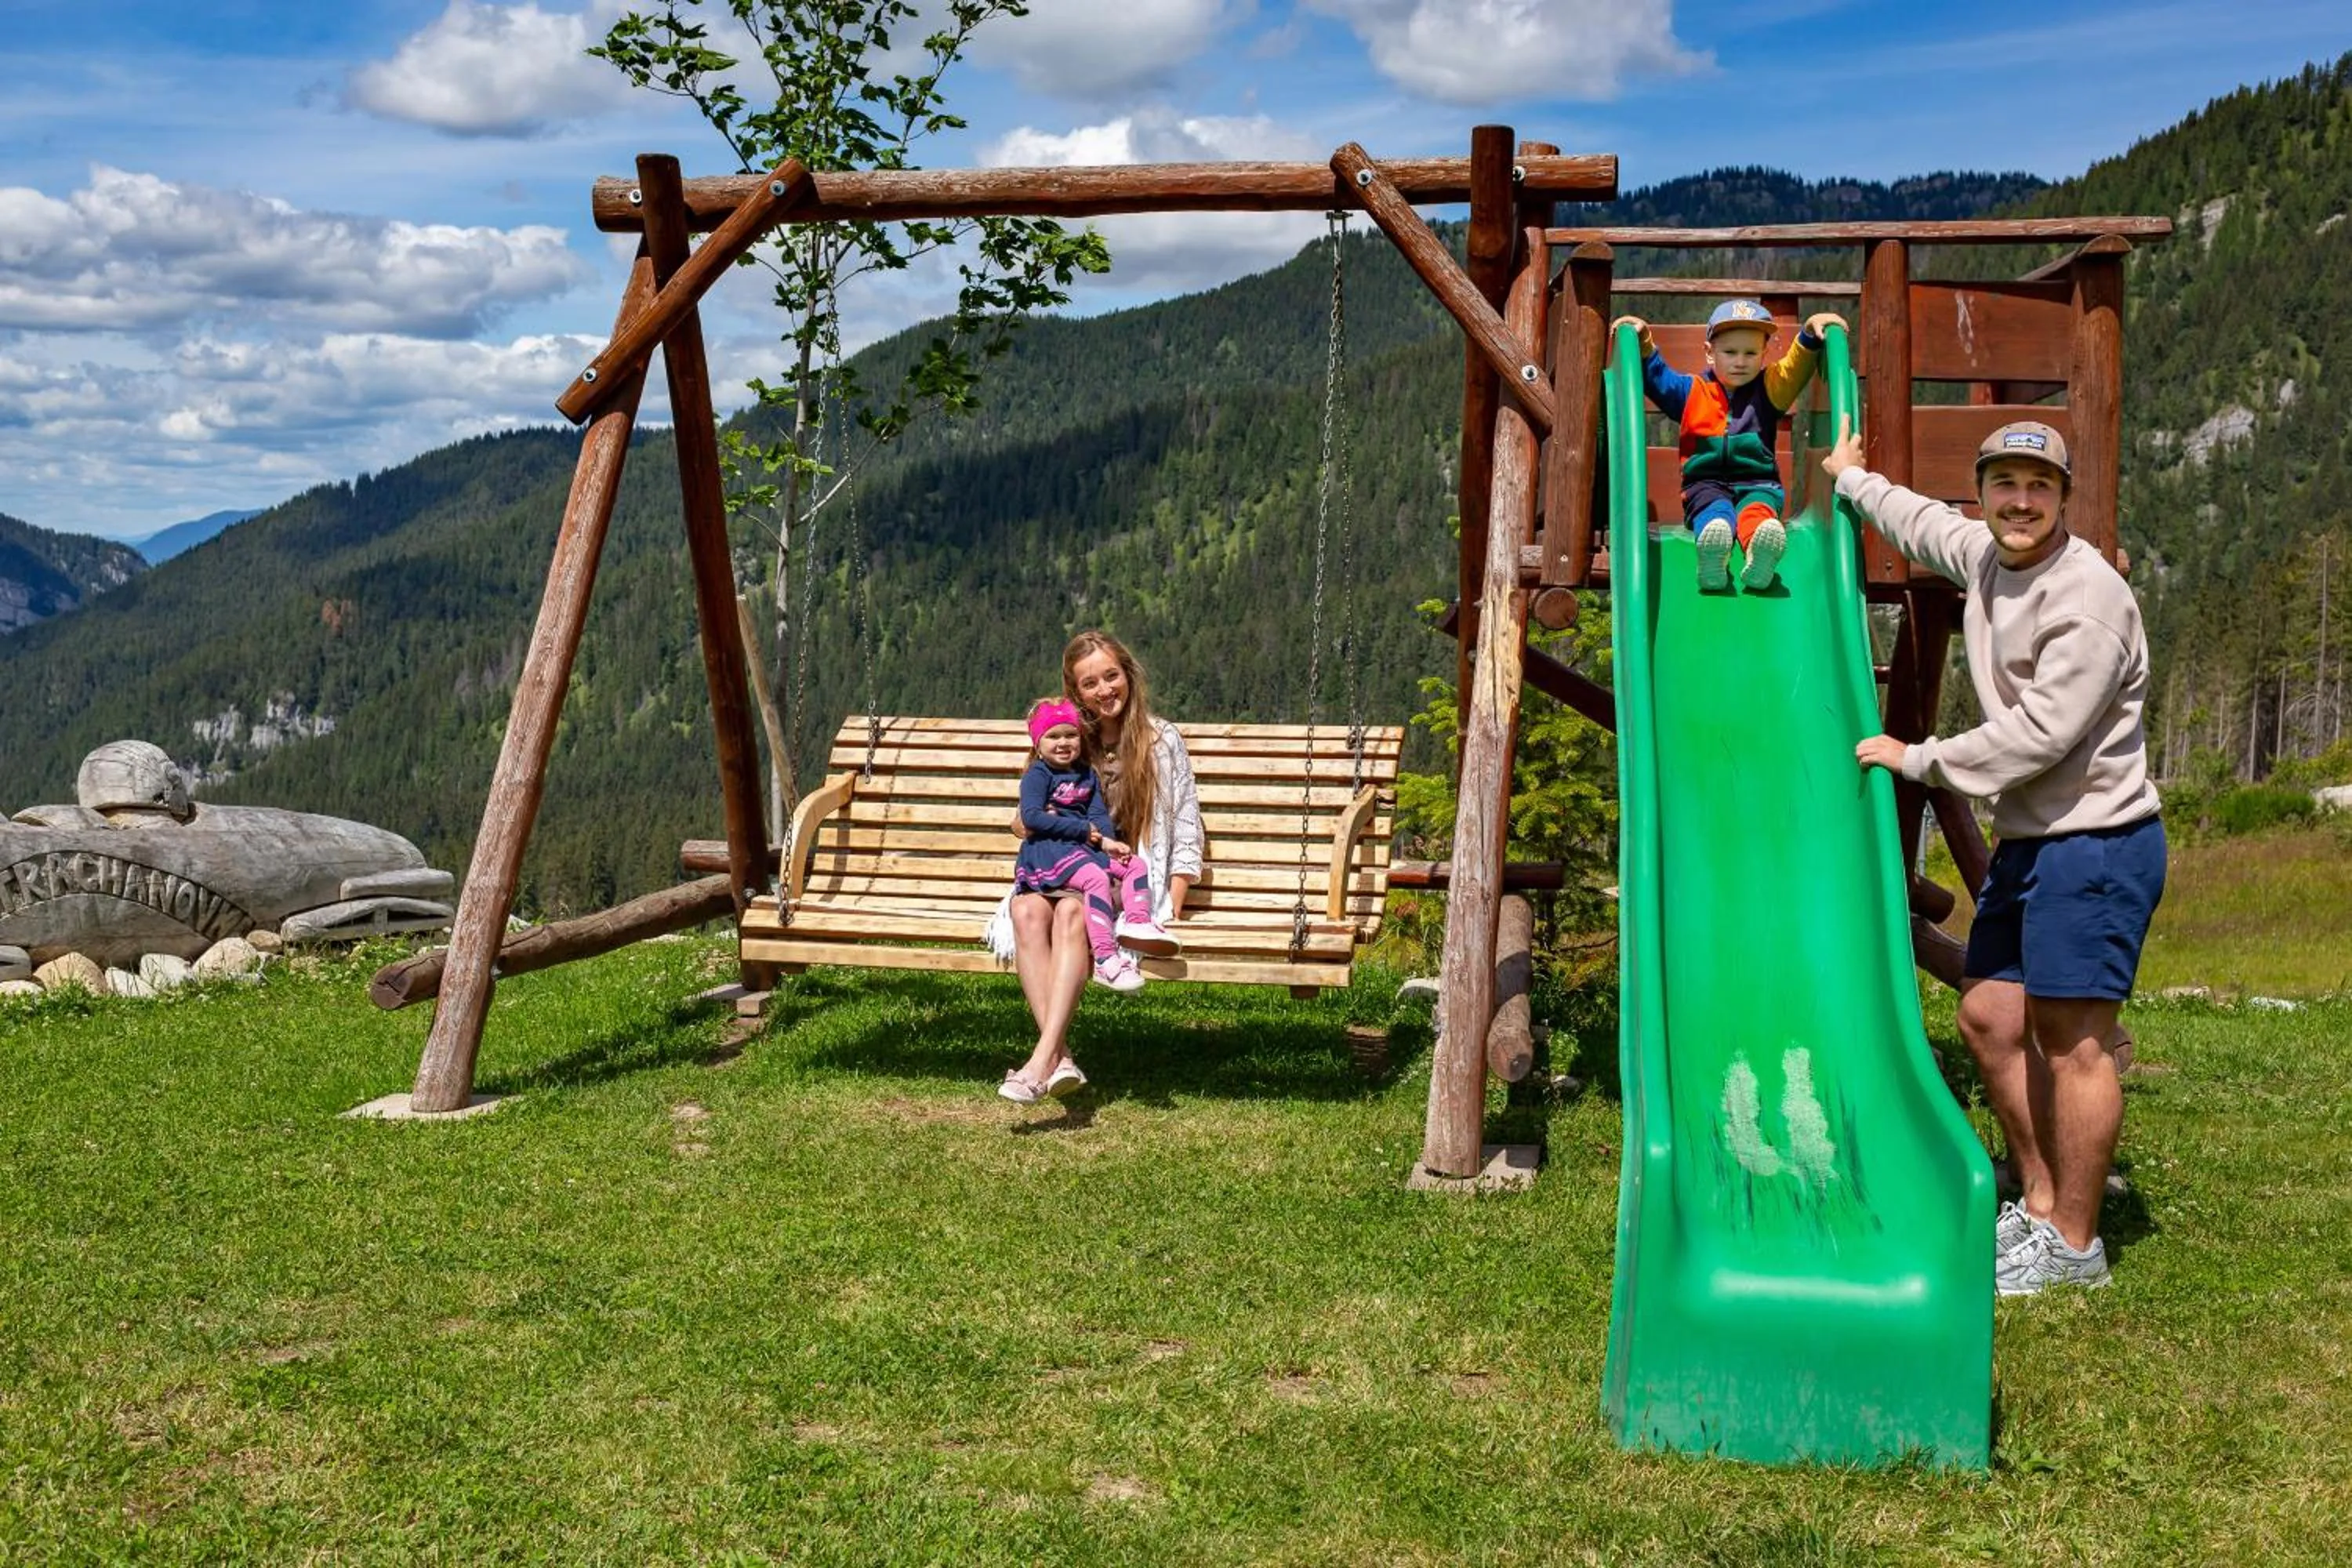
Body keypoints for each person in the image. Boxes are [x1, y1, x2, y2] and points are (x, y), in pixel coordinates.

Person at [1824, 417, 2165, 1296]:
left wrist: (1918, 756)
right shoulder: (1984, 554)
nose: (2020, 501)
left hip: (2096, 839)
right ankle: (2042, 1198)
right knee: (1988, 1015)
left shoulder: (2086, 598)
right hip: (2033, 840)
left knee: (2073, 1042)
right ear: (1984, 491)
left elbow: (2040, 737)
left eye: (2039, 486)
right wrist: (1855, 481)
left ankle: (2076, 1247)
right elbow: (1921, 524)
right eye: (2004, 483)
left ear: (2063, 498)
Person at [1000, 632, 1202, 1102]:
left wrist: (1170, 901)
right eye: (1090, 683)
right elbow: (1023, 818)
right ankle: (1061, 1058)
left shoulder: (1160, 739)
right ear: (1075, 691)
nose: (1104, 690)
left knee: (1071, 913)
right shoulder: (1066, 738)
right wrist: (1031, 824)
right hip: (1056, 862)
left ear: (1128, 675)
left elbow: (1186, 822)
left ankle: (1040, 1063)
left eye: (1111, 676)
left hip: (1124, 871)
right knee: (1025, 912)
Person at [1613, 300, 1847, 592]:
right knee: (1713, 511)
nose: (1740, 361)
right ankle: (1714, 551)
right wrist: (1644, 344)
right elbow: (1660, 381)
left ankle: (1759, 553)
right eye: (1730, 352)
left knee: (1758, 512)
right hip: (1705, 482)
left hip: (1758, 482)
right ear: (1710, 354)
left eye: (1750, 353)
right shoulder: (1692, 392)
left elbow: (1792, 370)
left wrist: (1810, 335)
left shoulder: (1770, 389)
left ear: (1763, 354)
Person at [1011, 696, 1154, 998]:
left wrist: (1109, 843)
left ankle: (1139, 924)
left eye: (1070, 735)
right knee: (1095, 878)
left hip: (1083, 850)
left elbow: (1097, 815)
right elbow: (1031, 817)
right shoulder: (1037, 775)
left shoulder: (1087, 774)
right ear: (1038, 744)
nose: (1063, 743)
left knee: (1135, 866)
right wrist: (1082, 831)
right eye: (1053, 736)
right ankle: (1105, 957)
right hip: (1048, 854)